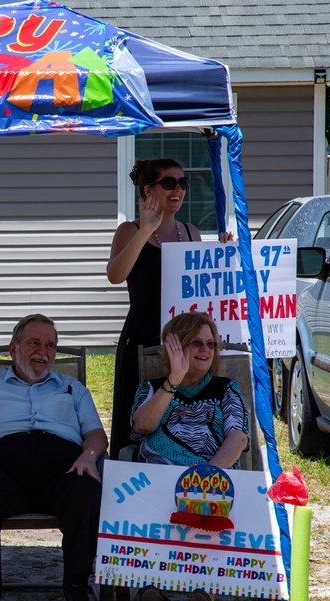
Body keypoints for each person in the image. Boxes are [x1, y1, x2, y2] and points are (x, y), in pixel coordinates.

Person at [0, 314, 108, 601]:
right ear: (13, 348)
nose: (43, 351)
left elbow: (96, 435)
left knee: (87, 489)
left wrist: (88, 457)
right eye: (34, 342)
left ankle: (77, 587)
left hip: (61, 471)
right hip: (1, 471)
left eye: (50, 345)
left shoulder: (72, 388)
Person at [129, 311, 249, 601]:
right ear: (176, 347)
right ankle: (156, 589)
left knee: (204, 500)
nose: (206, 349)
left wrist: (205, 477)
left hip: (210, 478)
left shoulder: (226, 389)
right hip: (157, 480)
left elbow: (237, 438)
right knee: (157, 499)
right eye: (195, 342)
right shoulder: (151, 389)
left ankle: (204, 591)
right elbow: (142, 425)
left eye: (211, 344)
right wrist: (173, 383)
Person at [106, 158, 210, 461]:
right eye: (169, 183)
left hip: (182, 340)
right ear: (148, 190)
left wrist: (223, 253)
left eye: (183, 183)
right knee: (137, 418)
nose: (178, 189)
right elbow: (115, 275)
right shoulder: (129, 230)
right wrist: (146, 230)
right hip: (142, 336)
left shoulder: (191, 232)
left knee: (179, 416)